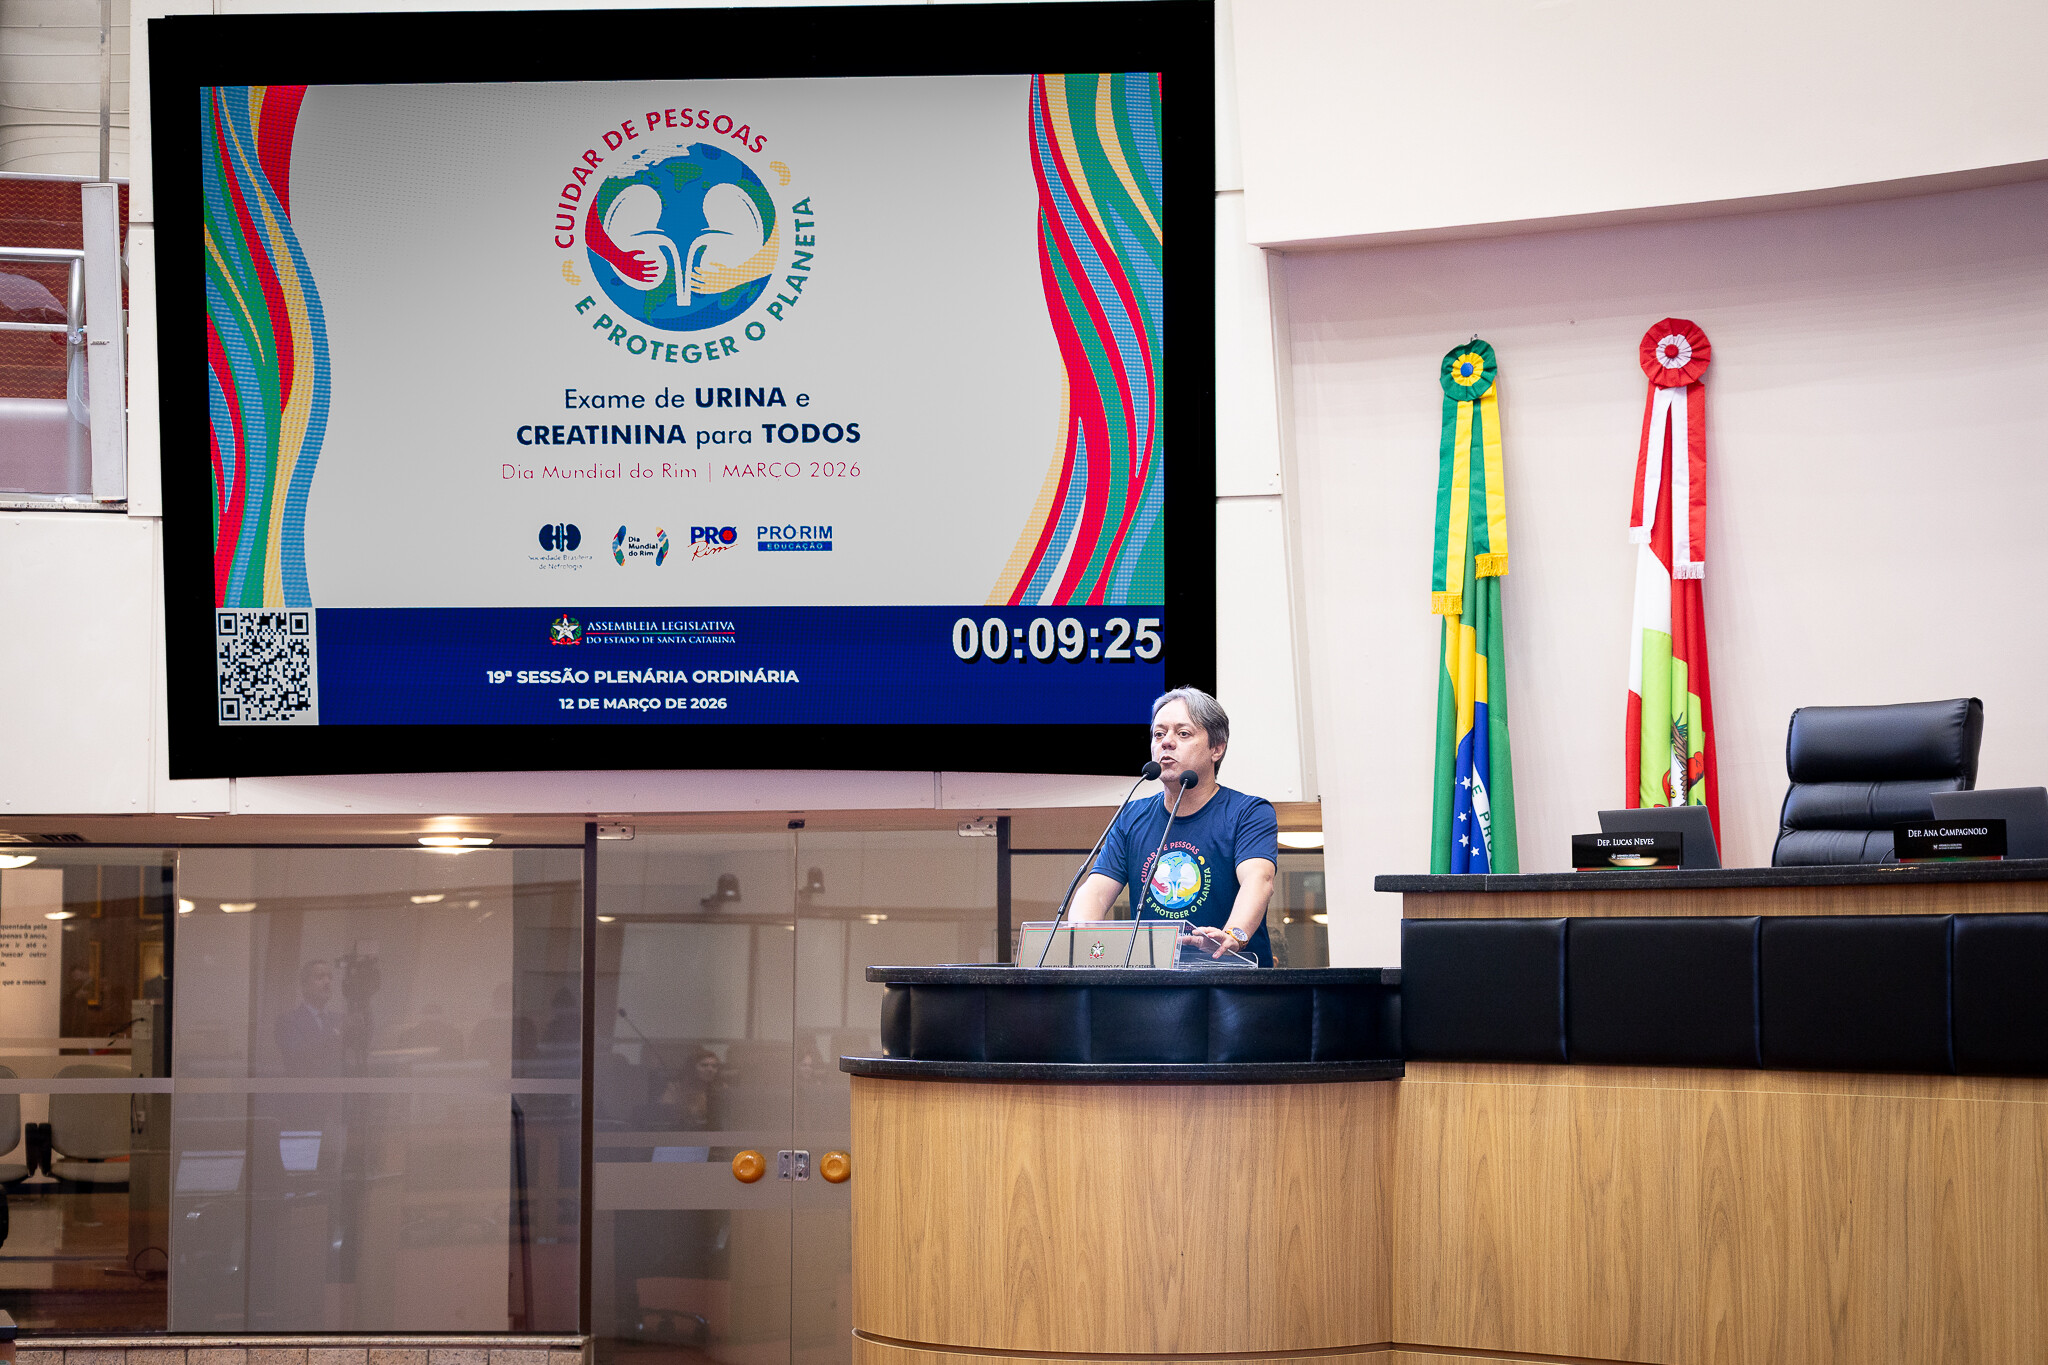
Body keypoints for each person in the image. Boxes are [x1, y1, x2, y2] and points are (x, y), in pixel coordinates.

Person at [1069, 687, 1280, 965]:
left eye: (1183, 733)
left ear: (1216, 749)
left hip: (1233, 980)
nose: (1166, 742)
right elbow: (1096, 891)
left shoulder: (1248, 812)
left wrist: (1234, 934)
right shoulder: (1131, 816)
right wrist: (1077, 937)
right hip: (1154, 980)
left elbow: (1259, 880)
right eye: (1159, 734)